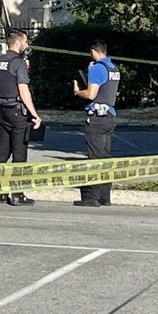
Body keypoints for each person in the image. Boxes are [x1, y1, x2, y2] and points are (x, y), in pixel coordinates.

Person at [0, 29, 42, 206]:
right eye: (26, 42)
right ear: (17, 43)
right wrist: (34, 114)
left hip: (3, 110)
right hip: (18, 111)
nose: (27, 45)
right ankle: (17, 195)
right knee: (19, 153)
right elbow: (23, 90)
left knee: (2, 151)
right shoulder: (17, 63)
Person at [71, 42, 121, 207]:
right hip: (109, 115)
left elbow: (91, 94)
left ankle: (91, 197)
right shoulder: (113, 68)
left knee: (95, 157)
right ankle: (104, 196)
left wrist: (78, 91)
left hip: (97, 118)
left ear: (93, 51)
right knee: (106, 157)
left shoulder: (97, 69)